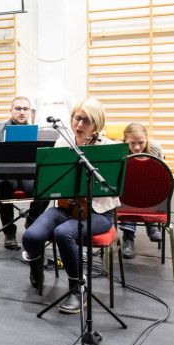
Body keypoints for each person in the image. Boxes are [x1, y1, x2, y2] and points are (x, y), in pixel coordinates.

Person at [22, 99, 120, 313]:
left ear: (97, 123)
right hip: (67, 208)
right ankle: (36, 267)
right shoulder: (62, 144)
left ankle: (77, 288)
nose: (79, 124)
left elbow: (113, 187)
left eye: (87, 120)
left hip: (98, 213)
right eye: (77, 118)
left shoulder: (108, 148)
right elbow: (52, 183)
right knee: (31, 236)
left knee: (63, 233)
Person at [0, 96, 49, 249]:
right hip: (4, 173)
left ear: (30, 111)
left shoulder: (37, 131)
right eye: (18, 108)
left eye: (25, 109)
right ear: (11, 110)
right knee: (4, 186)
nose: (22, 112)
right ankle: (9, 232)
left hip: (27, 175)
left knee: (46, 186)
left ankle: (32, 222)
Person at [120, 122, 164, 258]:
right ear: (125, 140)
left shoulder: (155, 148)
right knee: (127, 192)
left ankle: (151, 222)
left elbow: (162, 175)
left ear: (147, 140)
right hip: (127, 192)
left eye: (141, 143)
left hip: (149, 190)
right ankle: (128, 236)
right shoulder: (120, 149)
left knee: (149, 189)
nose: (137, 147)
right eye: (132, 143)